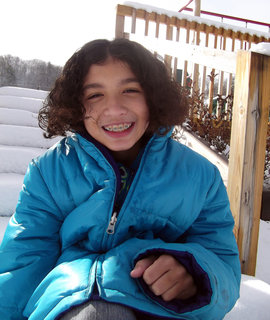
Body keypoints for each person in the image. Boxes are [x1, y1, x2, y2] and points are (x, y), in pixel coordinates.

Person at [0, 38, 241, 320]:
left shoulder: (201, 178)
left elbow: (221, 260)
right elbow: (24, 259)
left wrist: (194, 273)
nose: (114, 109)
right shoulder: (49, 172)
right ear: (77, 106)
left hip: (162, 307)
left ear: (153, 97)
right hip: (74, 300)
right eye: (95, 95)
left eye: (130, 90)